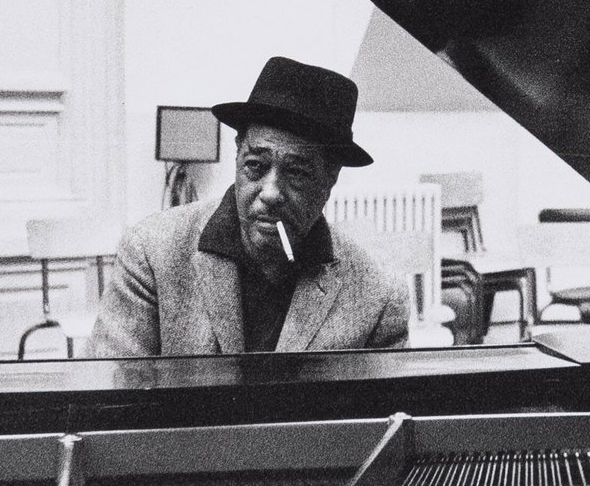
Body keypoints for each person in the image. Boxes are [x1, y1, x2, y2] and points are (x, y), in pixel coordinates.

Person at [91, 57, 410, 356]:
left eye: (296, 172)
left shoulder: (379, 293)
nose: (270, 193)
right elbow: (111, 398)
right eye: (256, 165)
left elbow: (384, 412)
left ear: (331, 178)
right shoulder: (152, 253)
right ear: (237, 154)